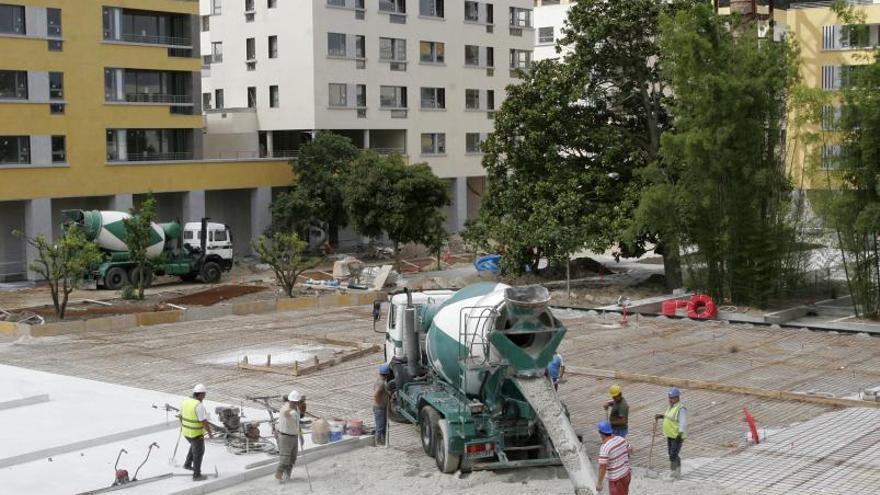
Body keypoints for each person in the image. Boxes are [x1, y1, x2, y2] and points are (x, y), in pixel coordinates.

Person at [181, 383, 213, 481]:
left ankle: (187, 464)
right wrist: (210, 432)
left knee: (194, 447)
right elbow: (203, 421)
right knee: (199, 452)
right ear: (200, 394)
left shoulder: (186, 401)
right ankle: (197, 475)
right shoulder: (198, 405)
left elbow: (180, 415)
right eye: (204, 394)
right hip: (195, 433)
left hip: (186, 432)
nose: (204, 396)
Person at [655, 387, 687, 479]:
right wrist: (661, 416)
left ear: (677, 397)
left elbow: (683, 423)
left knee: (673, 454)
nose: (670, 399)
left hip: (677, 436)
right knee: (671, 454)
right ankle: (673, 471)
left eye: (672, 398)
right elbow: (669, 417)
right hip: (670, 435)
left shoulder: (681, 409)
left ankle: (677, 472)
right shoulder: (671, 407)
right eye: (669, 397)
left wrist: (679, 435)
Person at [595, 420, 632, 495]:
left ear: (601, 434)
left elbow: (602, 467)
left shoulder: (605, 447)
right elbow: (631, 449)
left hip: (616, 479)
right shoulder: (621, 439)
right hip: (627, 474)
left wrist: (599, 483)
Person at [275, 390, 305, 484]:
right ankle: (278, 478)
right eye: (294, 402)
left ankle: (287, 476)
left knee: (292, 459)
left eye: (297, 402)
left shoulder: (297, 408)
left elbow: (297, 423)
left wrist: (301, 436)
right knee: (284, 460)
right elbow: (286, 413)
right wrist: (292, 412)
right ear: (290, 401)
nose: (296, 403)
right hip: (285, 437)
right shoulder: (285, 409)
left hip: (294, 435)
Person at [373, 364, 392, 446]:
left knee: (383, 426)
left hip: (381, 407)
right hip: (379, 408)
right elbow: (376, 394)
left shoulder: (380, 380)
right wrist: (379, 403)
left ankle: (383, 442)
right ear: (387, 374)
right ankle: (378, 443)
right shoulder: (381, 383)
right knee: (380, 427)